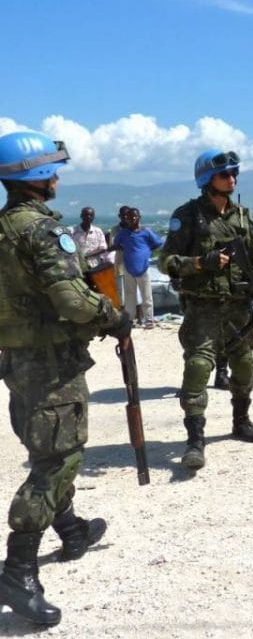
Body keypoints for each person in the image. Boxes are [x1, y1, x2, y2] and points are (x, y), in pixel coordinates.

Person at [0, 131, 132, 625]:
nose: (57, 178)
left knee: (46, 447)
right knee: (59, 459)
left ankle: (72, 529)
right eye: (51, 171)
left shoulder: (3, 229)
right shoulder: (40, 232)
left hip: (17, 360)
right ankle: (18, 569)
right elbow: (74, 302)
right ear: (35, 176)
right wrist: (112, 315)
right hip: (51, 364)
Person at [158, 150, 253, 470]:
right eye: (225, 175)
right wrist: (199, 263)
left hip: (239, 307)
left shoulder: (243, 216)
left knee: (244, 365)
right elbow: (166, 261)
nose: (232, 179)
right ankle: (195, 439)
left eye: (235, 174)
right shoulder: (188, 216)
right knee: (197, 368)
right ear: (207, 180)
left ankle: (241, 421)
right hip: (204, 308)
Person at [112, 207, 163, 329]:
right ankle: (129, 320)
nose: (133, 219)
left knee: (146, 295)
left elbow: (158, 243)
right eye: (130, 217)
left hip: (143, 267)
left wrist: (147, 251)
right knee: (130, 295)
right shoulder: (123, 233)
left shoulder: (146, 231)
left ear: (139, 217)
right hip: (128, 267)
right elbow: (116, 244)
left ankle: (149, 320)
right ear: (127, 218)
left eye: (135, 216)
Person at [105, 206, 130, 306]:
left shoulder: (134, 228)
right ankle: (125, 316)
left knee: (135, 292)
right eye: (123, 215)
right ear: (119, 216)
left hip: (133, 265)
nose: (125, 217)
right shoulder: (115, 229)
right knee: (121, 292)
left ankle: (137, 315)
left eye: (127, 215)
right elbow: (112, 246)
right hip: (120, 264)